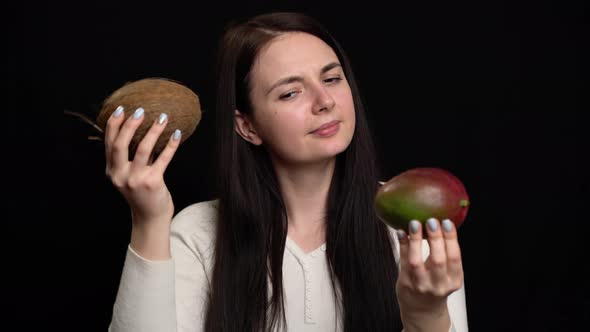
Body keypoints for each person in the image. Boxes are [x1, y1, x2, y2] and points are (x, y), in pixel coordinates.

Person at [106, 12, 468, 332]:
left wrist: (426, 315)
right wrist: (149, 222)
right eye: (290, 93)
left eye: (331, 79)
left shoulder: (409, 223)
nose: (324, 101)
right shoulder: (198, 235)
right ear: (247, 126)